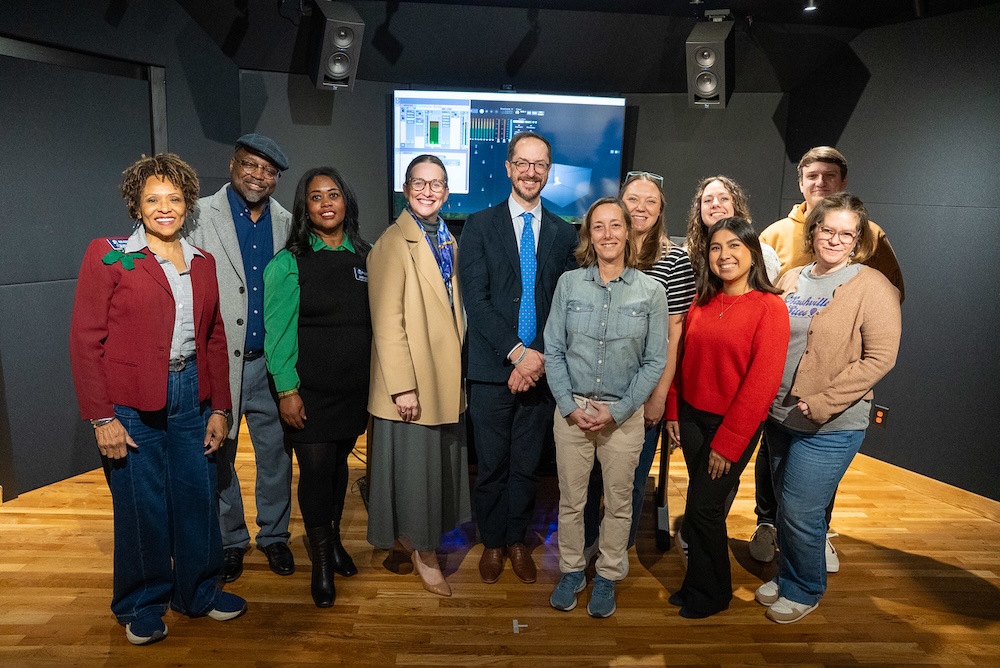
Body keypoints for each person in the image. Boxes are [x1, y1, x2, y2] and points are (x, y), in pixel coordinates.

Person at [69, 153, 247, 646]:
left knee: (197, 496)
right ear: (136, 204)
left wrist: (220, 408)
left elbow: (213, 338)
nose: (164, 208)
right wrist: (101, 417)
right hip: (130, 402)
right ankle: (142, 603)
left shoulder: (203, 262)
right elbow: (86, 340)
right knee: (140, 504)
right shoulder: (108, 255)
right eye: (152, 199)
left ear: (189, 203)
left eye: (174, 198)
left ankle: (199, 591)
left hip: (192, 392)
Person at [752, 146, 905, 570]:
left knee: (806, 499)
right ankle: (774, 530)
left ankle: (808, 560)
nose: (820, 183)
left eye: (829, 176)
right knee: (784, 490)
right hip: (778, 404)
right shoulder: (778, 242)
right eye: (812, 176)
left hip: (830, 404)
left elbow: (883, 335)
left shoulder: (870, 258)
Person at [458, 132, 578, 585]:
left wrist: (538, 358)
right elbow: (477, 299)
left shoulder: (566, 233)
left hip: (542, 371)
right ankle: (492, 542)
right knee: (491, 464)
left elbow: (565, 305)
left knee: (528, 464)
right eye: (522, 163)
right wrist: (515, 354)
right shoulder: (479, 225)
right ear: (508, 168)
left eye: (540, 164)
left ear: (549, 172)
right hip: (491, 370)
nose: (531, 172)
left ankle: (515, 539)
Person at [545, 197, 667, 618]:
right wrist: (567, 405)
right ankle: (572, 570)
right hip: (572, 413)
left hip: (624, 416)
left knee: (618, 503)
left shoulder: (653, 291)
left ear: (629, 232)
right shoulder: (569, 284)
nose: (608, 234)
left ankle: (610, 574)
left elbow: (655, 361)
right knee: (571, 501)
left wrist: (618, 411)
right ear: (589, 236)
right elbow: (554, 350)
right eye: (599, 227)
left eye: (616, 225)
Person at [665, 217, 790, 619]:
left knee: (702, 509)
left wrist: (729, 441)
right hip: (692, 419)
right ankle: (697, 584)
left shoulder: (770, 308)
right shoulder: (701, 302)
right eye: (716, 247)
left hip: (730, 426)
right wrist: (672, 411)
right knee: (707, 511)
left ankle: (715, 593)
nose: (724, 255)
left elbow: (762, 384)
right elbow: (681, 363)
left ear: (752, 251)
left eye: (734, 245)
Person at [186, 134, 296, 582]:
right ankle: (231, 540)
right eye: (251, 165)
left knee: (276, 458)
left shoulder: (287, 221)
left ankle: (274, 537)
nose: (258, 175)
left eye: (268, 171)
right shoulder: (198, 215)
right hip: (218, 361)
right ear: (233, 164)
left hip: (269, 363)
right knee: (220, 457)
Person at [263, 167, 372, 607]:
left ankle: (335, 543)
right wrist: (287, 391)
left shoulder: (365, 255)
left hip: (352, 392)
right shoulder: (289, 261)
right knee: (315, 473)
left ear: (346, 201)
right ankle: (322, 561)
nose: (326, 203)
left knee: (338, 467)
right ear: (304, 208)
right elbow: (278, 333)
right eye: (315, 197)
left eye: (333, 195)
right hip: (308, 395)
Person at [366, 155, 471, 597]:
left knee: (432, 470)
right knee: (415, 474)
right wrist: (403, 388)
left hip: (443, 378)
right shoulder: (393, 242)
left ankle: (412, 541)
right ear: (405, 189)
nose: (428, 191)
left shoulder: (446, 239)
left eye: (437, 184)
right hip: (411, 384)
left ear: (447, 192)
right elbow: (388, 323)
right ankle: (424, 554)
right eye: (419, 183)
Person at [582, 172, 696, 555]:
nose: (641, 208)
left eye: (651, 201)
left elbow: (673, 334)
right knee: (591, 477)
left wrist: (659, 395)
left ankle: (616, 550)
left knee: (629, 479)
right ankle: (584, 544)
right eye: (633, 199)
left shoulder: (675, 260)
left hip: (641, 390)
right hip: (594, 387)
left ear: (661, 210)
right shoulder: (602, 250)